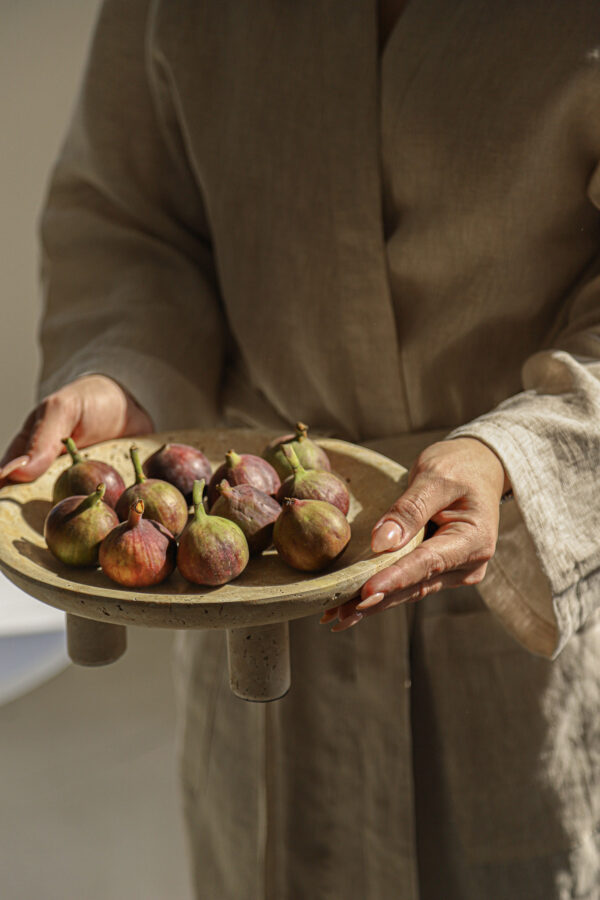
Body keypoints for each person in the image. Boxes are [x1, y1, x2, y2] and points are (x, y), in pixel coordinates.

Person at [2, 1, 600, 896]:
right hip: (247, 592)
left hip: (521, 596)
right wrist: (126, 376)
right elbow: (128, 216)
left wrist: (513, 453)